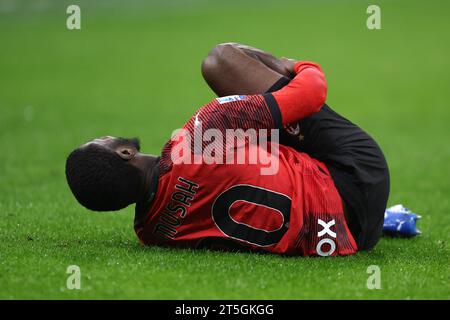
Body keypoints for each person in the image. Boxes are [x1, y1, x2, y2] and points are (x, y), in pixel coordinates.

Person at [65, 43, 389, 256]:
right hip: (357, 176)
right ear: (123, 153)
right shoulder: (201, 133)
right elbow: (313, 92)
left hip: (350, 238)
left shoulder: (151, 231)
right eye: (102, 140)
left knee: (244, 146)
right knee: (219, 61)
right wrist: (294, 65)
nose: (107, 135)